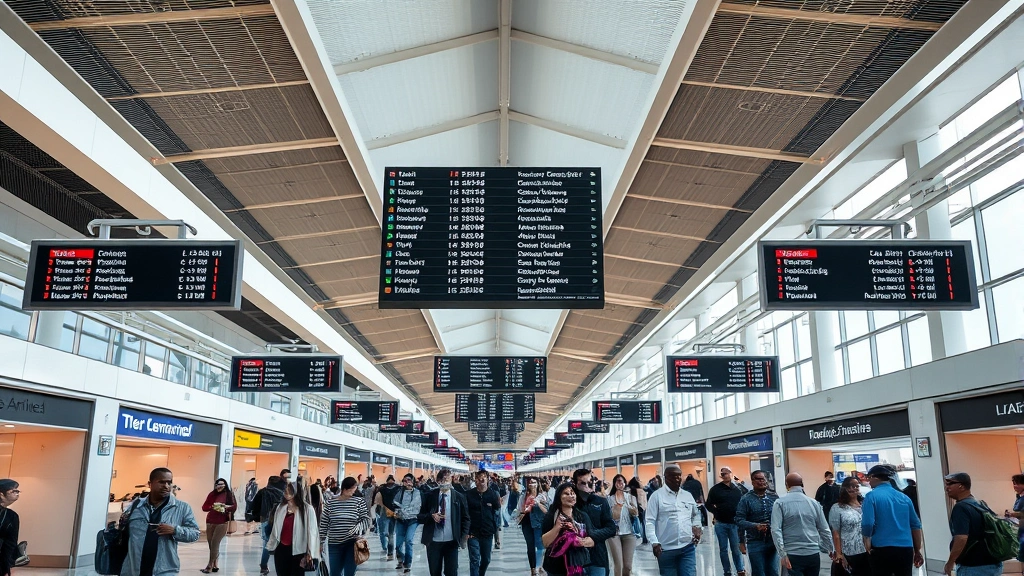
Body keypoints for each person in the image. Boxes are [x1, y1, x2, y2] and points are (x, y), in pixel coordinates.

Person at [121, 468, 201, 576]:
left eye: (169, 482)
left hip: (164, 569)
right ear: (150, 484)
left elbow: (195, 533)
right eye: (162, 482)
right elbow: (124, 531)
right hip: (133, 569)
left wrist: (175, 530)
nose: (166, 486)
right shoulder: (136, 506)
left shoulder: (181, 507)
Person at [860, 464, 923, 576]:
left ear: (875, 477)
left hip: (881, 548)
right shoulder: (904, 497)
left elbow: (868, 523)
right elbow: (915, 525)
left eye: (869, 478)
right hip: (905, 549)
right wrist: (917, 550)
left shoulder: (871, 496)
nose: (868, 482)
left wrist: (867, 541)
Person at [769, 473, 834, 576]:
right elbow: (824, 529)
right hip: (813, 554)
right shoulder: (814, 503)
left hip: (792, 554)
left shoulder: (780, 503)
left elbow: (775, 530)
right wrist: (830, 548)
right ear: (802, 484)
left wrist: (782, 554)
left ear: (787, 485)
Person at [645, 465, 702, 576]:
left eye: (679, 476)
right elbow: (649, 521)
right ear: (665, 478)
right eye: (673, 477)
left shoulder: (687, 495)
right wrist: (654, 543)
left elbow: (695, 514)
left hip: (687, 547)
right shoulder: (656, 496)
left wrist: (697, 527)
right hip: (665, 550)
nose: (677, 479)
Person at [943, 472, 1004, 575]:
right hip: (993, 564)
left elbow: (961, 538)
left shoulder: (961, 507)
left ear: (961, 486)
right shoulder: (980, 504)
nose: (946, 487)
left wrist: (950, 562)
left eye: (950, 484)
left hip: (973, 566)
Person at [418, 468, 470, 576]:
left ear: (451, 480)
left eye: (447, 479)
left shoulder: (459, 497)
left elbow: (466, 518)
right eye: (442, 480)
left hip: (451, 541)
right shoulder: (430, 496)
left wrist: (464, 536)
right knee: (435, 572)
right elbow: (420, 517)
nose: (444, 482)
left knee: (451, 572)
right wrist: (431, 516)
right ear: (438, 481)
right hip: (433, 541)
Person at [266, 478, 320, 576]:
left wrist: (310, 552)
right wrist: (271, 545)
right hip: (281, 550)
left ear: (296, 491)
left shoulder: (307, 509)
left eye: (289, 489)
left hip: (299, 552)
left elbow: (312, 532)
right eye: (285, 489)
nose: (286, 492)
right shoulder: (281, 507)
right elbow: (275, 529)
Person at [541, 482, 596, 576]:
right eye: (566, 493)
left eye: (573, 493)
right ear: (559, 497)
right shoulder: (551, 516)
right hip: (556, 567)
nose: (571, 496)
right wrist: (557, 527)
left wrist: (582, 541)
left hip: (578, 564)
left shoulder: (582, 516)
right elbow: (545, 543)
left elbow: (592, 541)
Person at [320, 477, 369, 576]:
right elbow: (324, 523)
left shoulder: (358, 502)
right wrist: (321, 542)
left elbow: (365, 520)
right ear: (344, 489)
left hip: (352, 543)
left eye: (355, 489)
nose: (353, 492)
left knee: (349, 572)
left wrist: (357, 529)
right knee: (334, 572)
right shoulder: (330, 503)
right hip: (334, 543)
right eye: (351, 489)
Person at [572, 469, 615, 576]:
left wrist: (593, 538)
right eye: (583, 483)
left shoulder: (600, 502)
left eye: (589, 482)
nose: (587, 485)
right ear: (575, 484)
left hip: (598, 557)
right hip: (575, 558)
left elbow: (611, 528)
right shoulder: (570, 503)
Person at [735, 470, 779, 576]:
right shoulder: (746, 499)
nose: (762, 482)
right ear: (753, 482)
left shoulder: (774, 497)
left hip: (772, 541)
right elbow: (739, 520)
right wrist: (754, 527)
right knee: (758, 572)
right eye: (758, 479)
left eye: (764, 479)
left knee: (773, 572)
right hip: (755, 542)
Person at [704, 466, 746, 576]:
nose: (724, 475)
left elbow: (745, 500)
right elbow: (708, 504)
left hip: (734, 523)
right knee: (723, 549)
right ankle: (727, 571)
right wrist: (716, 512)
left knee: (735, 548)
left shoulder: (738, 488)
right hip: (721, 523)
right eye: (722, 474)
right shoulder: (716, 489)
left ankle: (740, 569)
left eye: (726, 473)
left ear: (731, 474)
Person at [829, 477, 869, 576]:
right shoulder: (837, 508)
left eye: (856, 486)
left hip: (865, 551)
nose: (854, 488)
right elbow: (835, 532)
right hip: (848, 553)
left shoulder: (865, 505)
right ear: (844, 489)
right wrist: (839, 553)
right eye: (850, 486)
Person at [466, 470, 500, 576]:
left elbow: (496, 514)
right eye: (478, 478)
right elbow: (464, 514)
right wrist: (465, 532)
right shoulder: (468, 495)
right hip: (472, 533)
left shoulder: (493, 495)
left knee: (486, 559)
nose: (481, 480)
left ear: (487, 480)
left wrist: (497, 536)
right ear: (475, 480)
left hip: (487, 532)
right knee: (475, 559)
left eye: (483, 478)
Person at [250, 475, 286, 576]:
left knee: (267, 543)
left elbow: (254, 506)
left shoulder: (262, 491)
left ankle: (264, 566)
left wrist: (256, 517)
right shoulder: (282, 493)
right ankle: (279, 565)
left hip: (265, 519)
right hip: (279, 519)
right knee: (280, 542)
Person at [200, 478, 237, 573]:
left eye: (222, 484)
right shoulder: (212, 494)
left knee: (215, 543)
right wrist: (212, 506)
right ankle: (215, 564)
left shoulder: (229, 495)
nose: (219, 486)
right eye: (218, 484)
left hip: (222, 521)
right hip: (210, 521)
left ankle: (209, 565)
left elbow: (234, 507)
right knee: (210, 544)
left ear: (225, 485)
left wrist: (225, 507)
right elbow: (204, 507)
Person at [607, 474, 639, 576]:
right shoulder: (610, 499)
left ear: (625, 483)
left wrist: (628, 505)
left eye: (621, 481)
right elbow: (612, 516)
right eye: (617, 481)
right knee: (619, 565)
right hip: (614, 534)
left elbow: (636, 513)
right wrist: (618, 507)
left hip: (630, 533)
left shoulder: (631, 497)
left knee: (628, 566)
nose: (619, 483)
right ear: (614, 484)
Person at [394, 473, 422, 574]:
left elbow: (416, 506)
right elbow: (395, 504)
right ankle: (401, 559)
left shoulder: (417, 493)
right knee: (398, 544)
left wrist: (405, 511)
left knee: (409, 540)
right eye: (405, 480)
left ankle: (408, 563)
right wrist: (397, 513)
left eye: (409, 480)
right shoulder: (399, 492)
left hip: (412, 520)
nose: (407, 482)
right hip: (401, 520)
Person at [518, 477, 546, 576]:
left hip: (538, 524)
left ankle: (540, 566)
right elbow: (520, 509)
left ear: (538, 484)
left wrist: (538, 503)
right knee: (530, 545)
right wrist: (525, 508)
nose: (532, 485)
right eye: (530, 483)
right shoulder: (524, 496)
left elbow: (547, 509)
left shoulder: (542, 496)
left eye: (534, 482)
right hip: (527, 523)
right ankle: (533, 568)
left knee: (540, 546)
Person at [374, 475, 400, 561]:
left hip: (391, 513)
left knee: (389, 533)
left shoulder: (397, 489)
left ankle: (390, 552)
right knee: (386, 532)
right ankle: (389, 549)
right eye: (389, 482)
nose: (390, 484)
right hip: (386, 511)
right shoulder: (382, 489)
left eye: (392, 482)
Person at [0, 480, 20, 576]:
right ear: (1, 494)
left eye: (17, 491)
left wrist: (7, 565)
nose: (17, 493)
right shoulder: (11, 516)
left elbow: (10, 543)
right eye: (13, 491)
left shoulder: (12, 516)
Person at [1005, 473, 1024, 565]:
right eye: (1014, 483)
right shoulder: (1020, 497)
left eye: (1017, 484)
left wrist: (1013, 514)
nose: (1015, 486)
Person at [627, 478, 649, 544]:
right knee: (643, 524)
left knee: (631, 525)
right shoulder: (642, 491)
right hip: (642, 509)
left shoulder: (630, 491)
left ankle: (632, 539)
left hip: (633, 510)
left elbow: (629, 502)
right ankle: (645, 539)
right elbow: (645, 501)